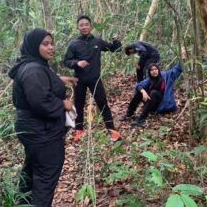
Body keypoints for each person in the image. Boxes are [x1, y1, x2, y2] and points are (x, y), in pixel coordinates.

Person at [8, 28, 76, 207]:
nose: (51, 47)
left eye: (52, 43)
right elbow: (40, 101)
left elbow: (41, 83)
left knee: (31, 174)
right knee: (45, 180)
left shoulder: (34, 65)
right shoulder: (33, 70)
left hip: (33, 131)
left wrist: (60, 79)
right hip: (42, 134)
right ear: (33, 45)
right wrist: (63, 104)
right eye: (45, 44)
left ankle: (21, 204)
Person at [64, 15, 122, 142]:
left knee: (103, 104)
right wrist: (77, 63)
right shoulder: (74, 44)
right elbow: (66, 61)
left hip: (95, 79)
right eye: (81, 25)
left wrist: (117, 40)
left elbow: (115, 49)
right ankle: (79, 131)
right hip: (79, 79)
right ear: (78, 27)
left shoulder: (97, 41)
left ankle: (112, 131)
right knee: (79, 105)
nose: (84, 27)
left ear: (90, 26)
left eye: (86, 24)